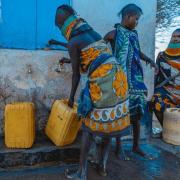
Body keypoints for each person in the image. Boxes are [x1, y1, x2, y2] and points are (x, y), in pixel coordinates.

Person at [54, 5, 130, 179]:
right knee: (110, 121)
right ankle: (102, 167)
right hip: (118, 78)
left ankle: (82, 172)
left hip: (104, 80)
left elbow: (76, 75)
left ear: (64, 25)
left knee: (88, 126)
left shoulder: (73, 42)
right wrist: (69, 58)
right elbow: (93, 57)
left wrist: (72, 98)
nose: (60, 30)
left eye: (59, 27)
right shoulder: (92, 33)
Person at [104, 4, 158, 158]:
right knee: (121, 113)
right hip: (120, 80)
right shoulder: (113, 34)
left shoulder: (134, 34)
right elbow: (98, 51)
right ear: (128, 16)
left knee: (138, 112)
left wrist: (150, 60)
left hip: (136, 79)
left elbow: (136, 52)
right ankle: (119, 147)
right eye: (136, 19)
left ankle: (136, 146)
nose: (137, 22)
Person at [151, 28, 180, 129]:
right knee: (155, 99)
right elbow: (156, 74)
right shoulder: (161, 55)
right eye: (173, 36)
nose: (175, 39)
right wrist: (153, 90)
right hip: (166, 89)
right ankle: (167, 129)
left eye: (178, 37)